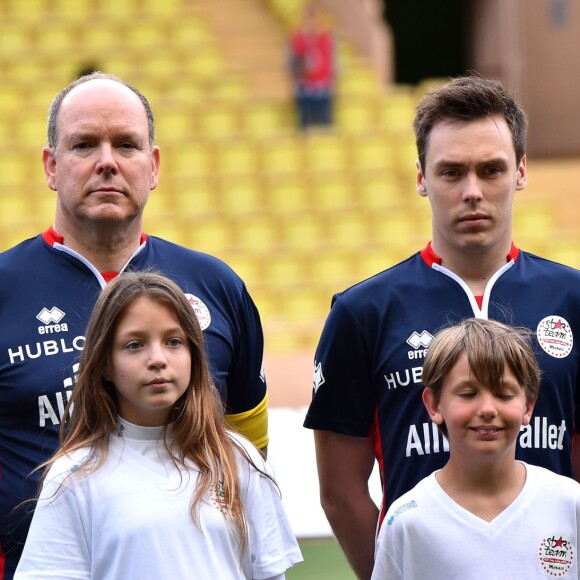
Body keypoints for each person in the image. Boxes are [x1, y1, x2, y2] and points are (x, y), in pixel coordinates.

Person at [304, 75, 580, 579]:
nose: (472, 192)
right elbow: (340, 492)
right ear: (421, 177)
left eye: (490, 170)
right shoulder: (362, 312)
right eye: (451, 172)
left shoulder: (574, 300)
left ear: (520, 170)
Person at [0, 72, 268, 579]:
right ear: (51, 166)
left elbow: (248, 453)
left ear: (154, 165)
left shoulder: (218, 287)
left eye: (126, 144)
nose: (107, 161)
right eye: (84, 145)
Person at [14, 272, 302, 579]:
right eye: (135, 345)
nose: (157, 359)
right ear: (105, 365)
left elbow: (269, 575)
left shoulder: (238, 458)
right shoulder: (73, 477)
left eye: (174, 342)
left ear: (194, 355)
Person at [371, 318, 580, 579]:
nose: (488, 409)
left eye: (504, 394)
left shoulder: (570, 502)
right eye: (469, 394)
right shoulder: (406, 520)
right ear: (434, 404)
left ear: (528, 406)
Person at [288, 1, 336, 130]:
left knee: (325, 130)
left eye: (314, 17)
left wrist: (331, 83)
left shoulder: (325, 39)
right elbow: (292, 66)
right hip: (305, 90)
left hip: (322, 90)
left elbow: (332, 64)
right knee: (305, 130)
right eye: (309, 17)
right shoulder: (297, 39)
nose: (312, 21)